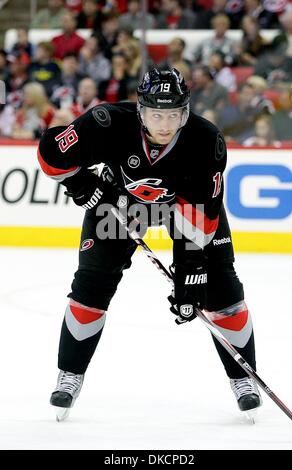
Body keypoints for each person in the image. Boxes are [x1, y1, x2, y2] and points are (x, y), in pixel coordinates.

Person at [37, 68, 262, 421]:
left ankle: (243, 378)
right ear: (141, 110)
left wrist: (190, 273)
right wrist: (81, 183)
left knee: (222, 289)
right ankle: (70, 375)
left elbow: (201, 219)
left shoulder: (206, 139)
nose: (164, 123)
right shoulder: (107, 122)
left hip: (187, 211)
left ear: (184, 112)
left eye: (173, 114)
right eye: (157, 114)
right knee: (91, 285)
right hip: (120, 207)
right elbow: (50, 151)